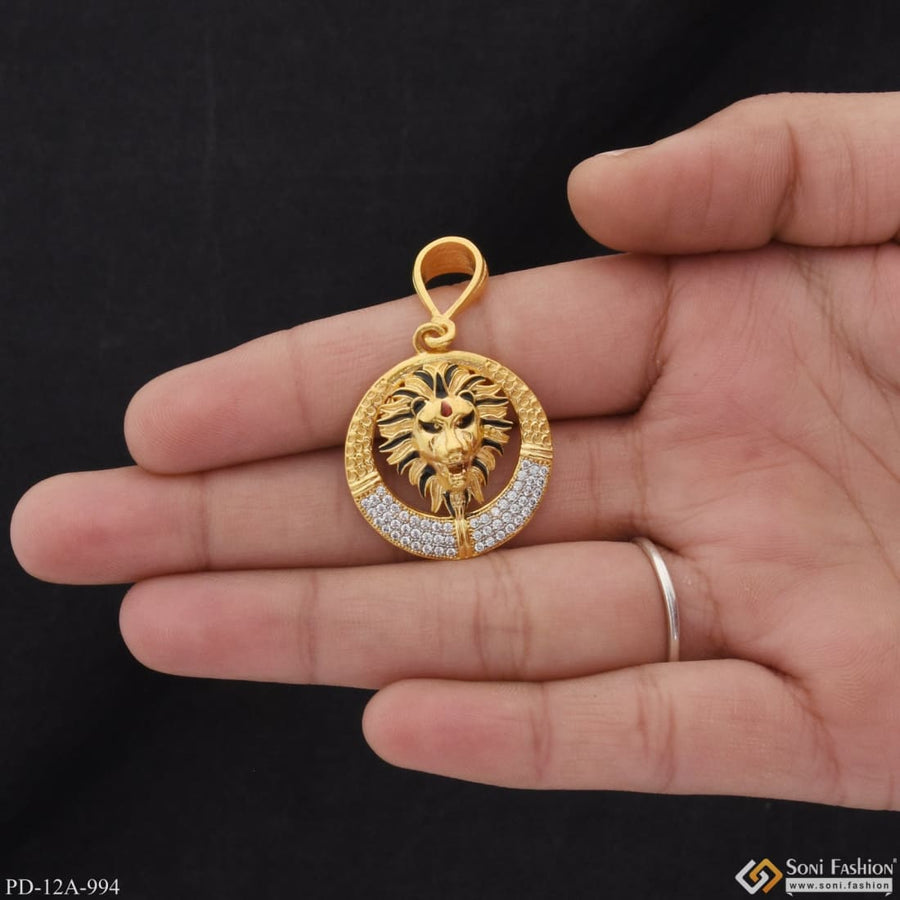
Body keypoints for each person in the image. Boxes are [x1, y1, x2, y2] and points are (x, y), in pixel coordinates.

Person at [12, 91, 900, 810]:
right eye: (436, 421)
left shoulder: (489, 421)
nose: (448, 428)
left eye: (459, 420)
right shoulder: (420, 424)